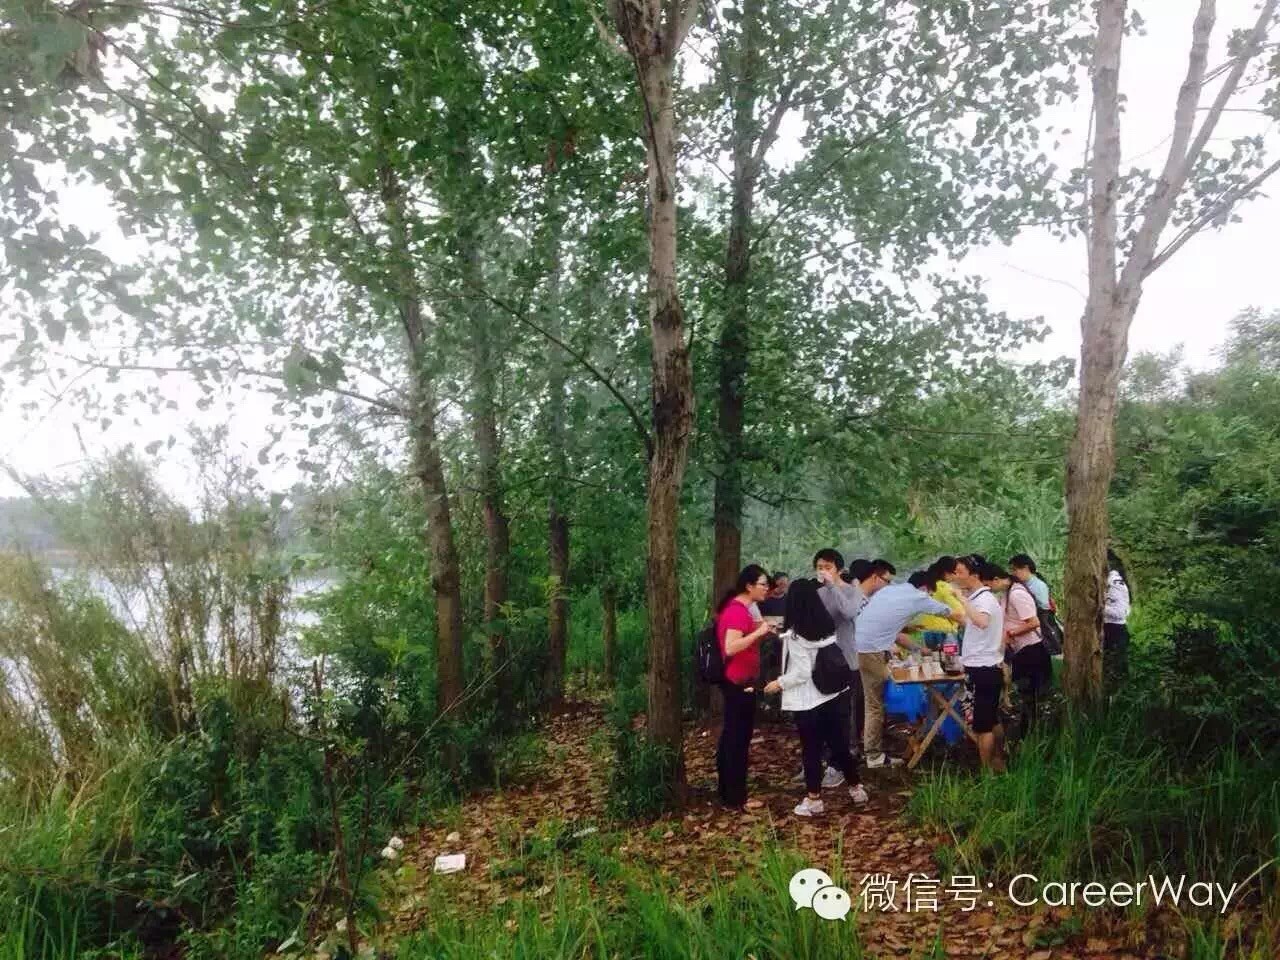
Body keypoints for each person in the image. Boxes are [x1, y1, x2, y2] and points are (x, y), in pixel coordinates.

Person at [764, 578, 868, 815]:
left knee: (811, 750)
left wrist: (778, 683)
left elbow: (801, 673)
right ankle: (856, 789)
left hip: (808, 700)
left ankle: (814, 799)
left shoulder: (795, 637)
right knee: (839, 746)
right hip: (834, 693)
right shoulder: (827, 627)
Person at [854, 573, 961, 767]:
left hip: (862, 648)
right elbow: (951, 613)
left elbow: (894, 631)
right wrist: (972, 621)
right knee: (875, 705)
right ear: (924, 588)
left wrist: (916, 642)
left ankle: (872, 749)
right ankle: (874, 755)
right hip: (871, 652)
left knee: (873, 703)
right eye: (930, 593)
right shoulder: (918, 596)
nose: (929, 596)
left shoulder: (891, 591)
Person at [714, 565, 775, 808]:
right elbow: (731, 647)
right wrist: (758, 633)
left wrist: (763, 630)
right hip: (736, 682)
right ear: (749, 586)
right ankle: (735, 797)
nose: (767, 588)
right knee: (737, 739)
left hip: (744, 681)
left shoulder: (745, 609)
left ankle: (729, 792)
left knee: (735, 736)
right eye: (763, 584)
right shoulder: (736, 612)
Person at [809, 549, 864, 787]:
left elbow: (848, 612)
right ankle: (817, 762)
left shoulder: (853, 591)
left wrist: (833, 586)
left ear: (839, 570)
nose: (823, 571)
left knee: (843, 715)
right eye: (819, 567)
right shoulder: (817, 593)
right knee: (819, 713)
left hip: (846, 661)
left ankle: (839, 765)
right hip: (822, 662)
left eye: (828, 567)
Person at [954, 559, 1007, 772]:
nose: (956, 577)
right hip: (984, 665)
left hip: (983, 668)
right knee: (991, 719)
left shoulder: (984, 599)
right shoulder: (978, 598)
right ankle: (999, 761)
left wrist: (960, 598)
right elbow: (975, 624)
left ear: (974, 575)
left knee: (983, 725)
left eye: (959, 572)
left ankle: (987, 774)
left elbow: (982, 622)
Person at [1000, 566, 1050, 734]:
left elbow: (1034, 622)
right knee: (1025, 693)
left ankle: (1033, 731)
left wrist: (1011, 633)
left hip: (1030, 651)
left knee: (1031, 694)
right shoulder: (1007, 594)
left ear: (996, 579)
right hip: (1021, 650)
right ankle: (1028, 730)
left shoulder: (1017, 594)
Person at [1104, 548, 1133, 686]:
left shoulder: (1114, 583)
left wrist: (1097, 608)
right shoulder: (1110, 581)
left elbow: (1120, 612)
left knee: (1115, 676)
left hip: (1114, 631)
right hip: (1111, 630)